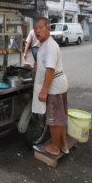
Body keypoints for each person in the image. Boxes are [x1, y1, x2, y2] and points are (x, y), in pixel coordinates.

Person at [32, 17, 69, 156]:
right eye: (35, 28)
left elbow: (50, 69)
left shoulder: (50, 46)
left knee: (54, 119)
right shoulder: (44, 43)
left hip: (55, 86)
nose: (37, 31)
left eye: (40, 27)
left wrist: (44, 90)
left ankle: (54, 147)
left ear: (49, 29)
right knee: (60, 116)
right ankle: (64, 144)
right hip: (58, 84)